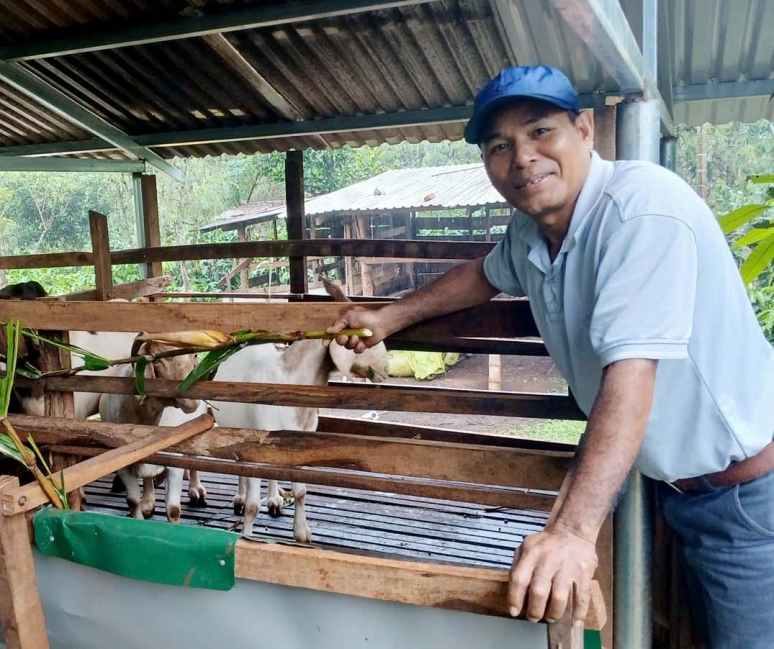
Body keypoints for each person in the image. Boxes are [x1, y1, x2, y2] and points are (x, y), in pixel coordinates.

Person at [326, 65, 774, 648]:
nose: (523, 158)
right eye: (500, 146)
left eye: (541, 132)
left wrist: (571, 531)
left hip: (746, 499)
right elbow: (482, 276)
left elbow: (632, 376)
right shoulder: (532, 233)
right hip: (675, 487)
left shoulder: (641, 212)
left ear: (584, 130)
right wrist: (390, 316)